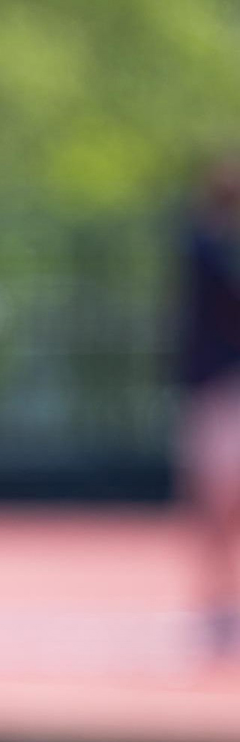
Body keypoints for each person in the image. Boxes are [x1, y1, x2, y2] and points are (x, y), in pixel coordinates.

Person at [174, 152, 240, 655]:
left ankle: (220, 602)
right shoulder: (204, 247)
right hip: (218, 387)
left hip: (218, 386)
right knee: (216, 499)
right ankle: (215, 602)